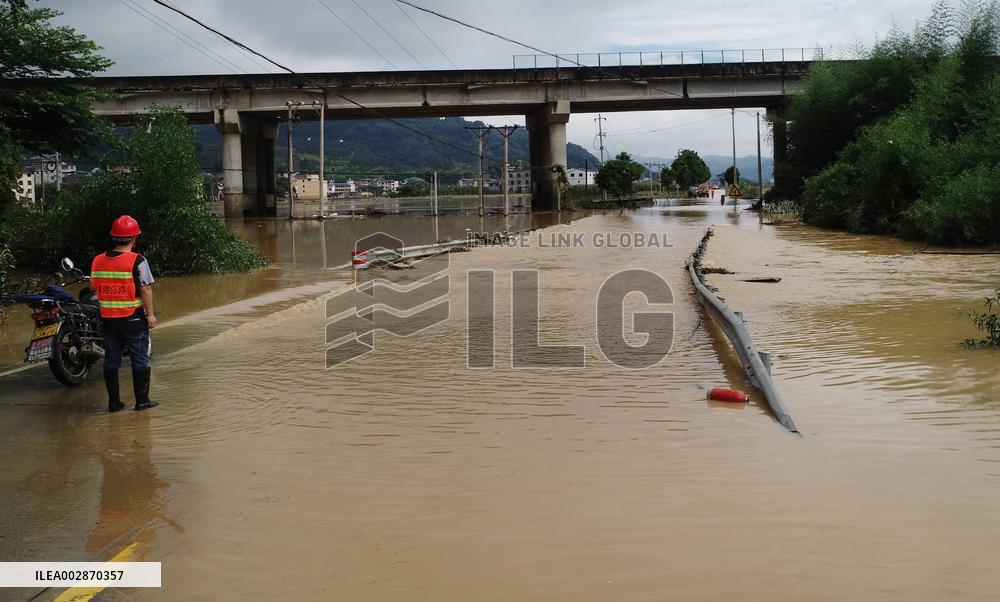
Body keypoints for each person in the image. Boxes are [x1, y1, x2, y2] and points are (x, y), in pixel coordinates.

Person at [91, 215, 158, 413]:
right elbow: (145, 289)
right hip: (133, 318)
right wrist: (150, 314)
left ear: (114, 237)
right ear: (134, 239)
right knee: (139, 358)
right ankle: (142, 401)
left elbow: (93, 287)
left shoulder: (97, 260)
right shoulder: (138, 260)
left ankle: (114, 403)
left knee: (111, 360)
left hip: (108, 319)